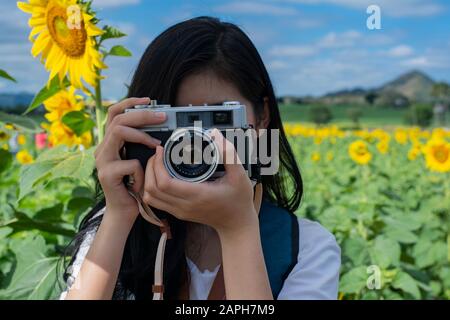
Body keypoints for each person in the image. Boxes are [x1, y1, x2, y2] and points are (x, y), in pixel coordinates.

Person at [60, 16, 340, 300]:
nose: (195, 142)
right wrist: (118, 214)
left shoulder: (305, 248)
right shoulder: (117, 228)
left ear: (261, 116)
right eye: (176, 122)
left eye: (218, 118)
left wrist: (238, 229)